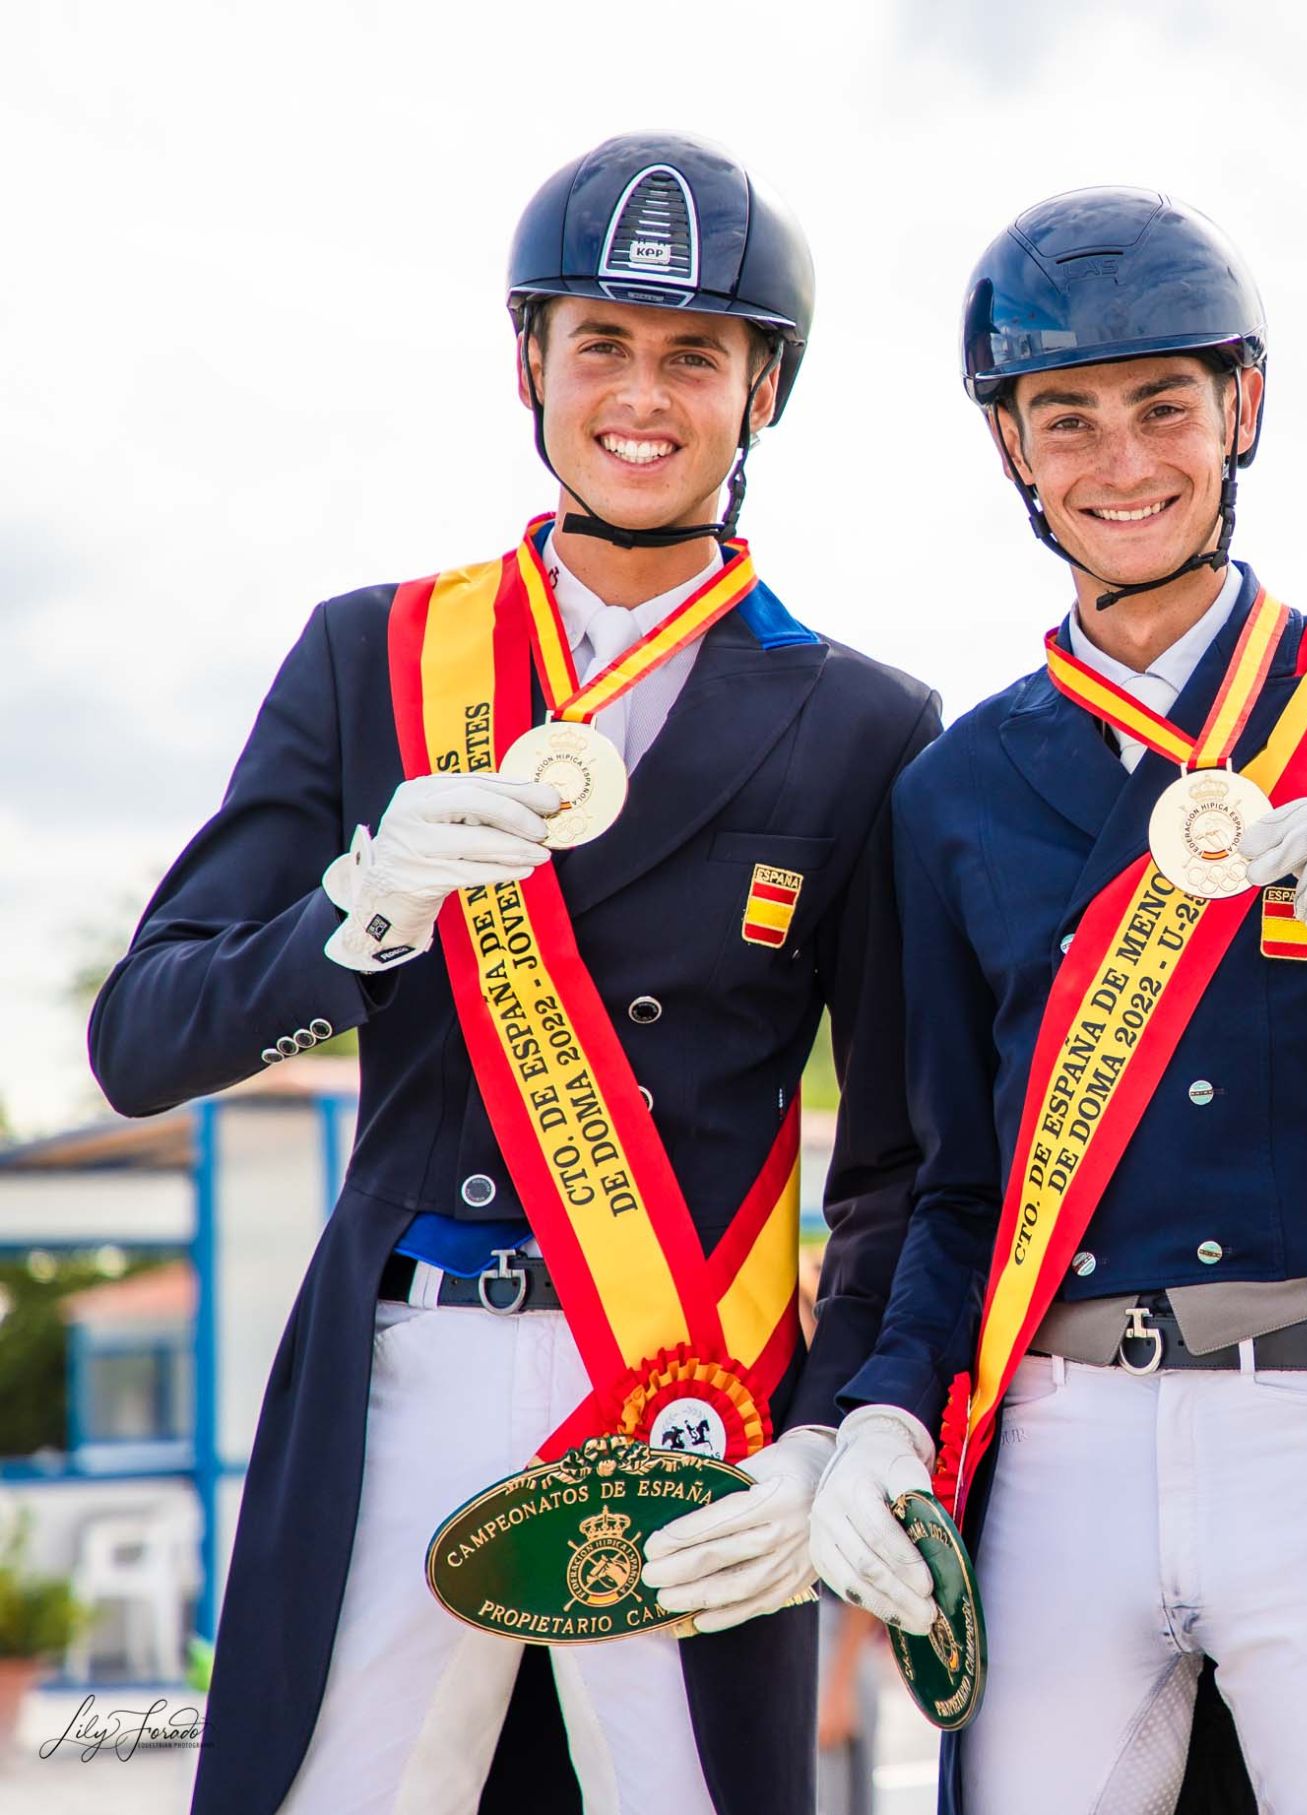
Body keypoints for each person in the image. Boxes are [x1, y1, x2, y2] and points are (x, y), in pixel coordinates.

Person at [88, 131, 938, 1813]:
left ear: (764, 391)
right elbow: (142, 1035)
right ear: (530, 359)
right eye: (599, 343)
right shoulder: (377, 654)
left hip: (684, 1394)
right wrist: (358, 910)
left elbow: (901, 1162)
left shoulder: (865, 725)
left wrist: (831, 1429)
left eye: (695, 354)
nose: (642, 394)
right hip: (412, 1352)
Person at [805, 187, 1307, 1813]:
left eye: (1164, 404)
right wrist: (885, 1409)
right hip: (1059, 1438)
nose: (1122, 460)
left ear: (1242, 408)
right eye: (1066, 417)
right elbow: (953, 1184)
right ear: (1013, 450)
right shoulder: (955, 790)